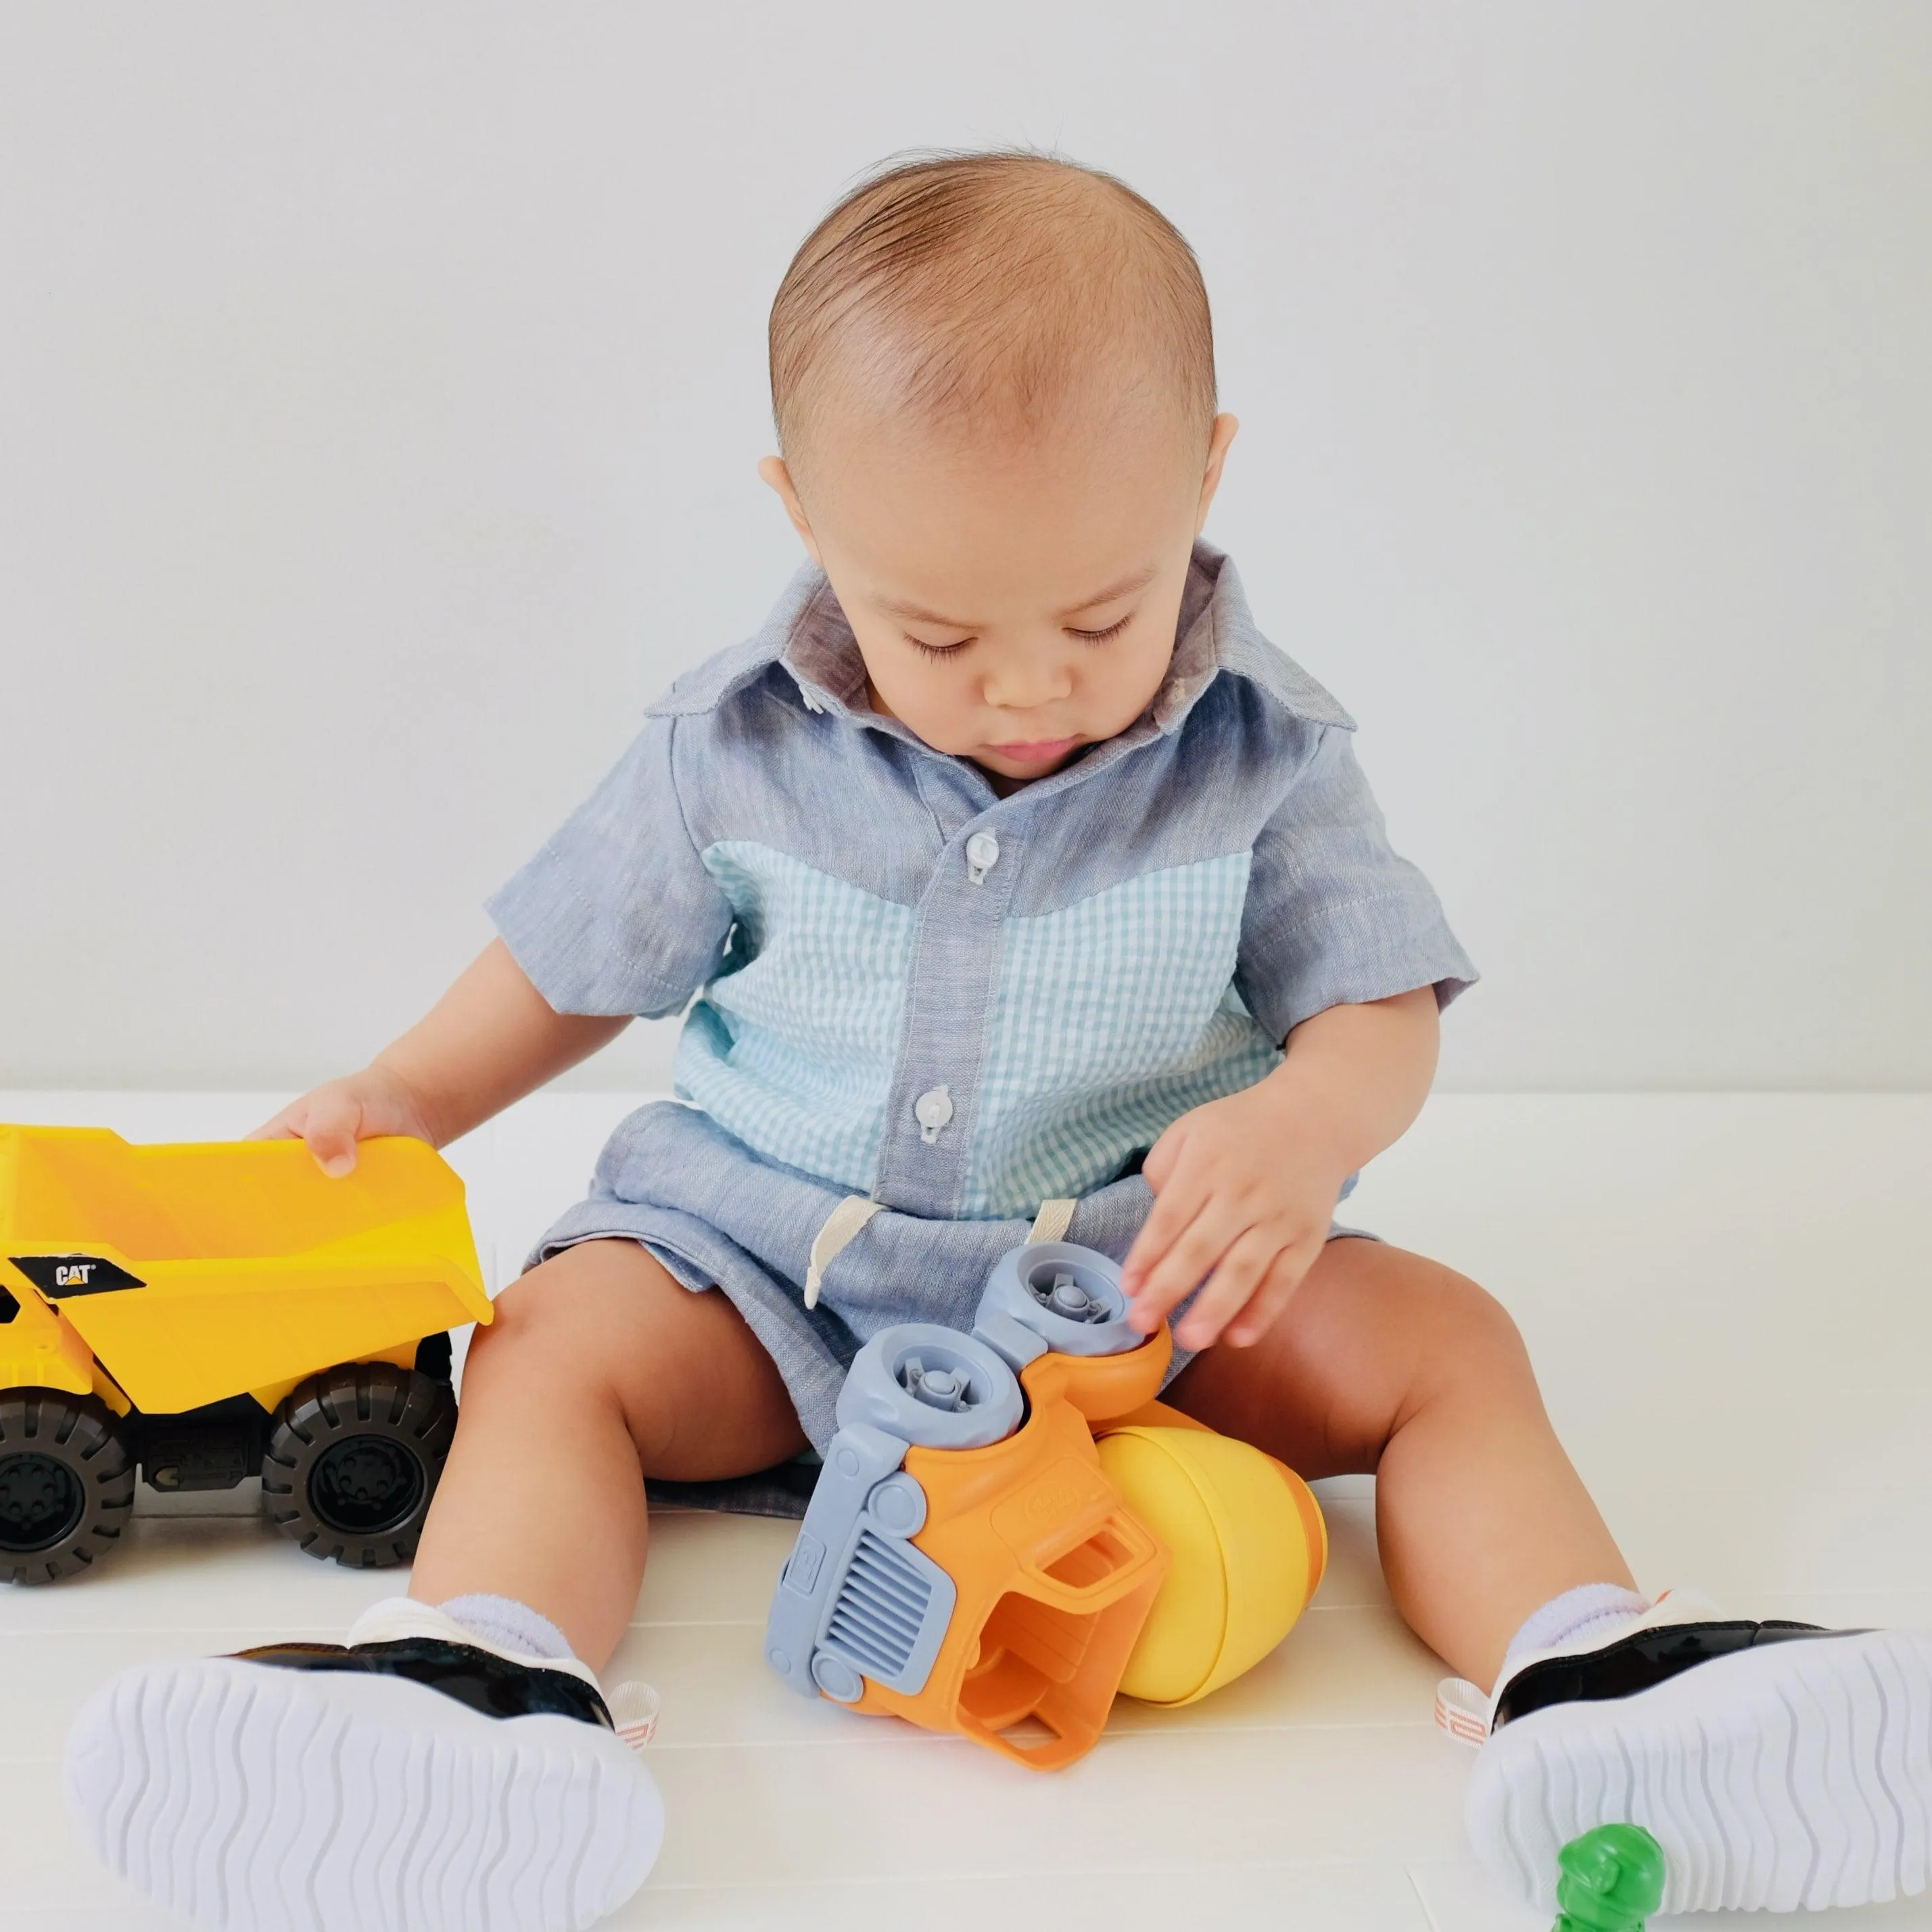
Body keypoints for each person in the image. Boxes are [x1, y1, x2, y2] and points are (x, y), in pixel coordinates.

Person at [66, 150, 1932, 1932]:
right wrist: (411, 1093)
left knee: (1448, 1342)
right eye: (937, 632)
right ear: (805, 510)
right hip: (769, 1273)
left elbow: (1372, 1004)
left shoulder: (1268, 763)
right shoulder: (728, 747)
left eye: (1098, 615)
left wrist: (1300, 1128)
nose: (1027, 687)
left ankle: (1600, 1668)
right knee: (559, 1342)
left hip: (1147, 1292)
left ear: (1204, 476)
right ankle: (475, 1680)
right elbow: (572, 960)